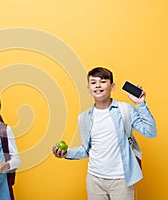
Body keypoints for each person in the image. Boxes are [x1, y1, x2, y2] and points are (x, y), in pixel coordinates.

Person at [52, 67, 156, 200]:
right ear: (89, 88)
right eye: (93, 82)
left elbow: (150, 132)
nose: (98, 85)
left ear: (112, 86)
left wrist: (140, 104)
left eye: (102, 81)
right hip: (94, 180)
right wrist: (66, 154)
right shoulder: (84, 117)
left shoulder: (125, 110)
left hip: (121, 179)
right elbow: (87, 149)